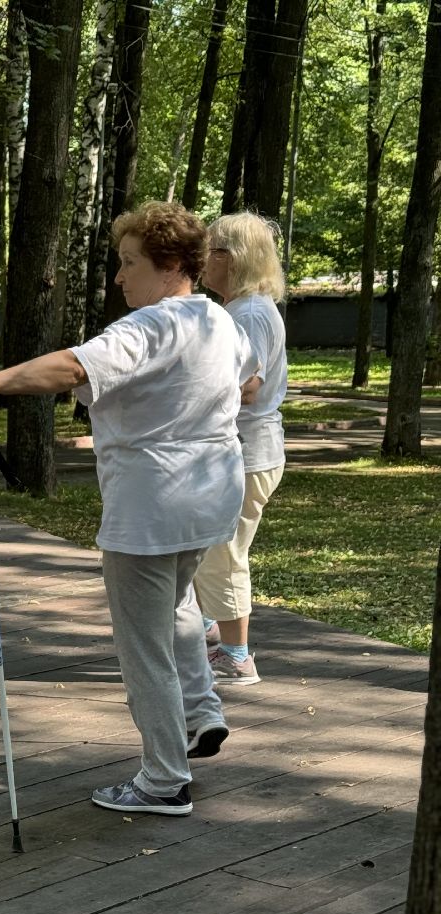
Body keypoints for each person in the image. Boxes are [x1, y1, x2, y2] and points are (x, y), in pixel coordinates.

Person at [0, 201, 247, 817]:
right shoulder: (220, 323)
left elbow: (71, 367)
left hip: (152, 505)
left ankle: (164, 780)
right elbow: (251, 383)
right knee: (177, 606)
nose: (119, 277)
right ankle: (200, 714)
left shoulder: (151, 327)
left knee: (145, 644)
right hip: (209, 496)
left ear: (169, 266)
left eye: (128, 262)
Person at [195, 212, 288, 686]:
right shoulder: (241, 309)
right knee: (208, 546)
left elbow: (246, 386)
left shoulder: (249, 313)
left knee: (223, 553)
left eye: (209, 249)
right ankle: (209, 634)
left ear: (232, 258)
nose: (202, 260)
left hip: (247, 452)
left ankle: (236, 656)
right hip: (243, 451)